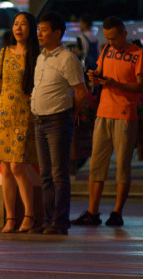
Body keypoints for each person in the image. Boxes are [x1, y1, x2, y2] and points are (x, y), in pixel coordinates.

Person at [71, 17, 143, 228]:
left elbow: (141, 86)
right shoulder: (106, 51)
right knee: (97, 165)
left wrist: (117, 84)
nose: (111, 42)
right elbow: (100, 74)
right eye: (107, 38)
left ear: (124, 33)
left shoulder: (138, 55)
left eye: (114, 38)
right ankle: (92, 211)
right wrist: (95, 77)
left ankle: (117, 212)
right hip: (103, 112)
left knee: (123, 166)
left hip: (124, 114)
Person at [28, 12, 88, 235]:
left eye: (44, 30)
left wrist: (71, 113)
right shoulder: (41, 57)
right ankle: (47, 220)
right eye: (38, 30)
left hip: (58, 121)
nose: (39, 34)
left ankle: (60, 222)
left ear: (57, 33)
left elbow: (81, 92)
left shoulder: (67, 58)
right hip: (39, 120)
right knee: (45, 174)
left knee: (58, 174)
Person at [0, 12, 40, 233]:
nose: (18, 28)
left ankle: (29, 215)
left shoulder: (37, 56)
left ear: (32, 29)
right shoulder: (5, 53)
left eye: (24, 24)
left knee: (17, 166)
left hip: (24, 113)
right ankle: (10, 217)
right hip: (3, 114)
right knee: (5, 168)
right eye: (16, 24)